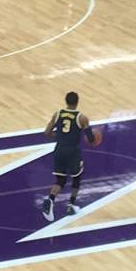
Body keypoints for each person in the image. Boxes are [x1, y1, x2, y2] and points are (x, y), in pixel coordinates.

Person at [41, 90, 100, 222]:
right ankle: (71, 206)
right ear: (77, 102)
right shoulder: (82, 118)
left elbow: (46, 133)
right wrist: (95, 137)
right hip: (72, 151)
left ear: (66, 102)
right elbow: (90, 139)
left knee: (60, 180)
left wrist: (61, 137)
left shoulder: (57, 114)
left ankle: (50, 199)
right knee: (76, 178)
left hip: (59, 149)